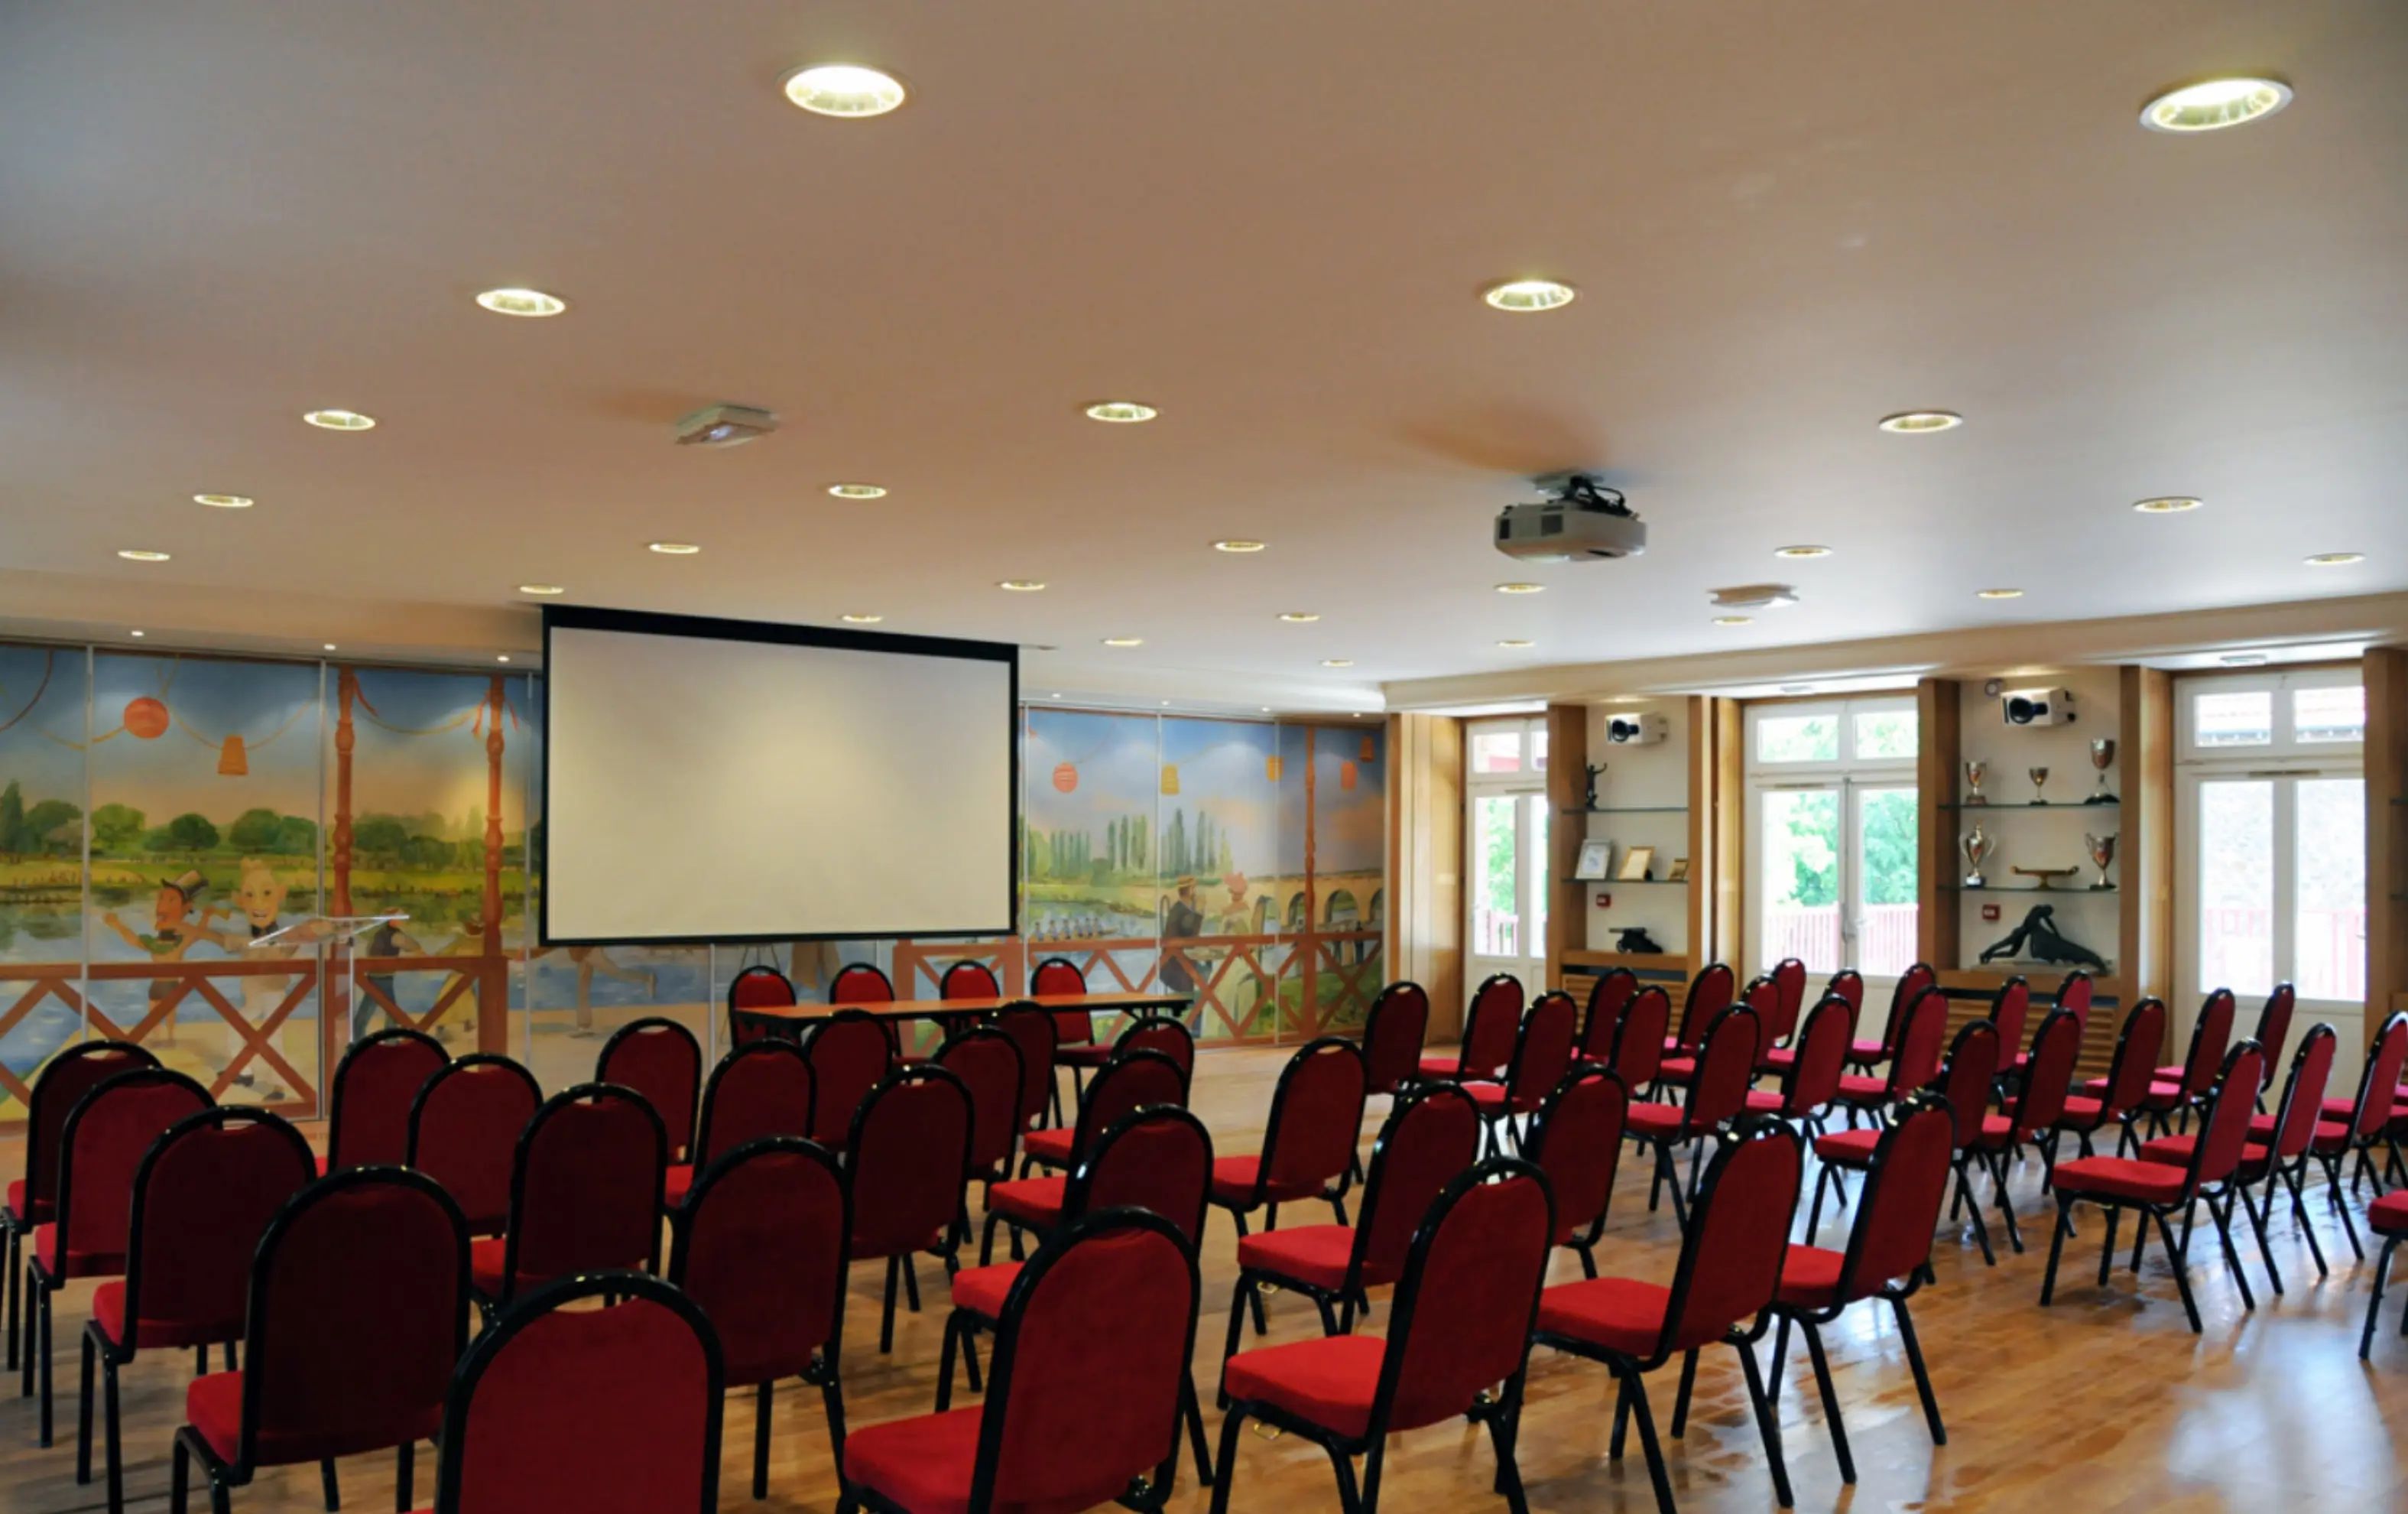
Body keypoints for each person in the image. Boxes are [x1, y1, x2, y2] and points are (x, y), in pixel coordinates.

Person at [100, 870, 225, 1045]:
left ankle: (170, 1035)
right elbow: (134, 940)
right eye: (162, 899)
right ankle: (156, 1033)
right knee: (153, 1010)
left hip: (171, 983)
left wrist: (205, 916)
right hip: (157, 983)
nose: (161, 906)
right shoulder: (154, 943)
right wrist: (118, 925)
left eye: (171, 900)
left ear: (186, 907)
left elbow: (197, 933)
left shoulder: (180, 941)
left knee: (170, 1011)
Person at [355, 912, 424, 1042]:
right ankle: (390, 1040)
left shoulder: (380, 934)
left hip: (375, 974)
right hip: (384, 975)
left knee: (371, 1007)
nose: (402, 921)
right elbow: (410, 945)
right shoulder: (393, 934)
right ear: (392, 920)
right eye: (399, 918)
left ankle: (359, 1038)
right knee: (391, 1009)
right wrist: (420, 951)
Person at [1160, 877, 1202, 993]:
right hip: (1176, 965)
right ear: (1189, 891)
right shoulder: (1181, 910)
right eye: (1194, 889)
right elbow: (1192, 935)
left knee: (1206, 972)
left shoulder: (1180, 908)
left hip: (1177, 961)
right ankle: (1199, 1006)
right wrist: (1199, 912)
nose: (1196, 893)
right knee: (1206, 974)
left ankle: (1200, 1005)